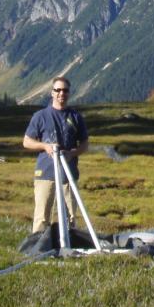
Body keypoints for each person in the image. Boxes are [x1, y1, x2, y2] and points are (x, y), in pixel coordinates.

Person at [22, 76, 89, 233]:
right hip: (45, 173)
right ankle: (37, 247)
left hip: (68, 175)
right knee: (42, 216)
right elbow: (26, 142)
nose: (61, 93)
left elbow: (85, 144)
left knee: (70, 217)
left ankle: (69, 248)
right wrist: (45, 146)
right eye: (57, 90)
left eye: (65, 90)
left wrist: (72, 153)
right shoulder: (40, 116)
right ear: (52, 93)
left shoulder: (76, 117)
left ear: (69, 93)